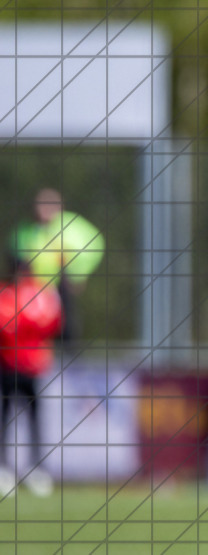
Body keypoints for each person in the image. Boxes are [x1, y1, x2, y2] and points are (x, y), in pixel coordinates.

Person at [0, 255, 63, 496]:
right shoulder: (5, 294)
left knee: (35, 420)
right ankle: (4, 469)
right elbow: (6, 327)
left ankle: (37, 468)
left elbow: (50, 323)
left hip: (33, 367)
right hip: (7, 367)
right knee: (5, 419)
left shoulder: (41, 295)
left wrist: (22, 323)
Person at [10, 188, 104, 342]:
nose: (45, 210)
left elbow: (94, 246)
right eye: (41, 205)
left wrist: (78, 274)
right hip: (34, 287)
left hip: (61, 284)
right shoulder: (27, 229)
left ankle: (68, 354)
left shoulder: (70, 225)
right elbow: (16, 253)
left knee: (65, 324)